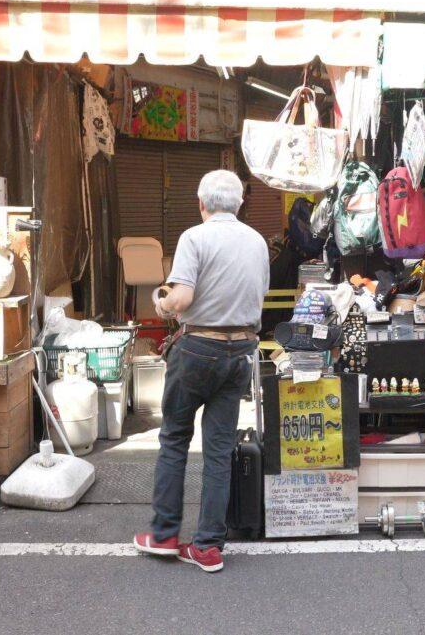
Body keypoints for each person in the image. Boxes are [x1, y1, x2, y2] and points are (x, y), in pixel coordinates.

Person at [133, 170, 270, 573]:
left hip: (197, 349)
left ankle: (164, 535)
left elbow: (184, 297)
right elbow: (257, 293)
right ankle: (208, 546)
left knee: (175, 439)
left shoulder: (195, 237)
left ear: (201, 203)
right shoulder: (258, 241)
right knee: (219, 449)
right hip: (241, 350)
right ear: (240, 203)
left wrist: (162, 301)